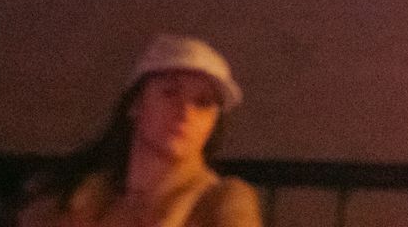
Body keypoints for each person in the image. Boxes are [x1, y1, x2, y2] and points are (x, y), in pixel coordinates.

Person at [17, 36, 260, 227]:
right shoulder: (78, 195)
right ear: (136, 103)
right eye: (170, 93)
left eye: (203, 102)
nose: (186, 112)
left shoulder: (221, 201)